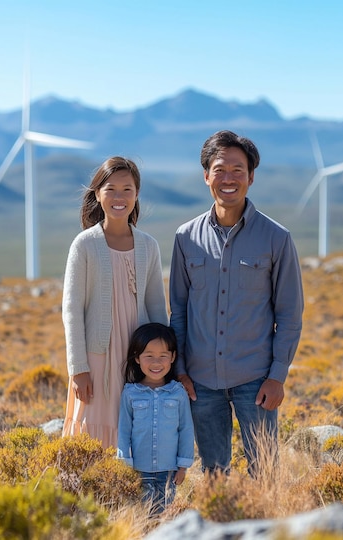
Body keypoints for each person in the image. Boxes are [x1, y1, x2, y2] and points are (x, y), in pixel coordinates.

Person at [169, 130, 304, 477]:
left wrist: (277, 377)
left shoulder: (277, 238)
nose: (228, 179)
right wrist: (180, 371)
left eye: (237, 170)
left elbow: (289, 314)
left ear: (251, 177)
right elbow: (179, 311)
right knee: (214, 474)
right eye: (219, 169)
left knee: (265, 473)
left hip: (256, 381)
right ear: (205, 176)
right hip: (200, 382)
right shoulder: (185, 238)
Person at [61, 156, 169, 449]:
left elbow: (157, 307)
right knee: (92, 432)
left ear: (137, 195)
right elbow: (72, 311)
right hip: (98, 358)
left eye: (127, 190)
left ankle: (133, 493)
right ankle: (90, 494)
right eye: (111, 189)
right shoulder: (84, 244)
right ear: (97, 194)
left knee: (137, 427)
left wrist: (164, 360)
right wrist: (78, 367)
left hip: (139, 358)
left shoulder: (149, 245)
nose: (119, 197)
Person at [117, 322, 194, 516]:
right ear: (137, 358)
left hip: (168, 471)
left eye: (163, 356)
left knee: (163, 516)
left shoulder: (178, 393)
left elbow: (186, 429)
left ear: (173, 357)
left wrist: (183, 466)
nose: (156, 363)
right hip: (138, 471)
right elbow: (124, 430)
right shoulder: (130, 393)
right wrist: (124, 463)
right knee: (142, 516)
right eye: (149, 356)